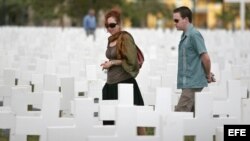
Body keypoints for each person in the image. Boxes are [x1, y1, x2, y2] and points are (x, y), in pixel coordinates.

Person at [100, 9, 145, 135]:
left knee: (136, 119)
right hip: (111, 84)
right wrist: (109, 63)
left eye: (112, 25)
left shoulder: (125, 38)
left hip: (125, 83)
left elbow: (131, 60)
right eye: (107, 26)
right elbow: (114, 57)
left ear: (120, 24)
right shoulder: (111, 39)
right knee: (111, 120)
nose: (109, 28)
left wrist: (113, 62)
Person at [173, 6, 214, 113]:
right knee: (193, 115)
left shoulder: (194, 35)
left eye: (176, 20)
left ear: (186, 19)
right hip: (188, 82)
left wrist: (208, 75)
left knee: (179, 114)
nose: (174, 23)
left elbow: (206, 58)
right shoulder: (185, 35)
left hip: (192, 83)